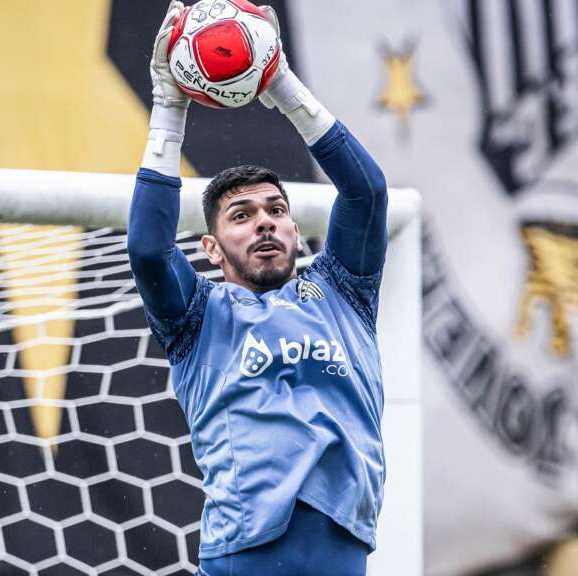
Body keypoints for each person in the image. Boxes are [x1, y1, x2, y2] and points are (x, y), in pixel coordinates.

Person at [126, 3, 388, 575]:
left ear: (297, 230)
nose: (265, 221)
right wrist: (169, 105)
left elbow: (366, 193)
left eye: (276, 209)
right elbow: (148, 248)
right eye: (240, 215)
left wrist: (281, 82)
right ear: (211, 250)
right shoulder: (197, 316)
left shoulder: (344, 293)